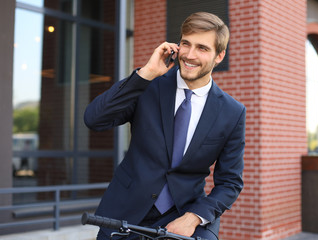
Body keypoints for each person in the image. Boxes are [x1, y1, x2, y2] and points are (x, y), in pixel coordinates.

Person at [84, 12, 246, 240]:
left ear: (219, 56)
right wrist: (146, 73)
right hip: (125, 211)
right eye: (185, 44)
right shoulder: (148, 85)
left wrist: (194, 217)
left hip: (182, 215)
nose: (190, 55)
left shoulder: (232, 112)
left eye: (202, 48)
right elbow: (94, 119)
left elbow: (230, 182)